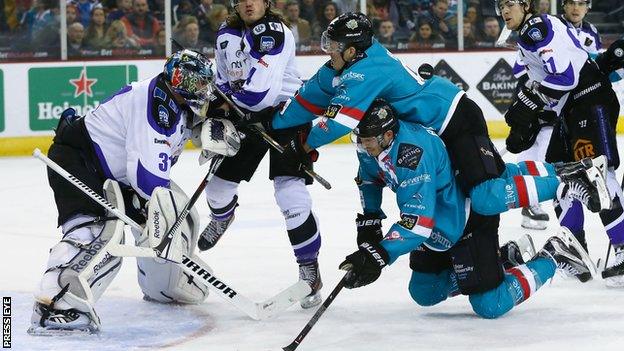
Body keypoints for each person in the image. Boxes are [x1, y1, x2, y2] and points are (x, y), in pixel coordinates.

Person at [264, 12, 611, 226]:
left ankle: (571, 179)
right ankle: (570, 171)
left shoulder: (366, 71)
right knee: (493, 176)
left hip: (456, 120)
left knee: (487, 194)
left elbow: (339, 123)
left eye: (335, 45)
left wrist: (302, 144)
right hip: (440, 126)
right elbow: (307, 99)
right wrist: (268, 123)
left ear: (352, 50)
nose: (329, 51)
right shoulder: (343, 66)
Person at [340, 99, 594, 318]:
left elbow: (418, 222)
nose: (362, 145)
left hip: (467, 218)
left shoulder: (412, 154)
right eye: (359, 138)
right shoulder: (371, 146)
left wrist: (380, 254)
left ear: (387, 135)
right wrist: (370, 220)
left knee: (490, 304)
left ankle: (555, 254)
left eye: (367, 140)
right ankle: (505, 259)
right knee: (424, 292)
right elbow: (370, 178)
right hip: (438, 225)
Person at [28, 50, 216, 335]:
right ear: (183, 82)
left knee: (179, 218)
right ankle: (55, 307)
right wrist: (155, 219)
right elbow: (148, 179)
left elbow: (181, 136)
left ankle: (163, 287)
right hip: (80, 161)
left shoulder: (175, 101)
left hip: (113, 175)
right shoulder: (156, 106)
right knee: (97, 237)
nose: (205, 90)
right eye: (199, 83)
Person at [197, 0, 324, 309]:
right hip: (246, 116)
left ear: (266, 3)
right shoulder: (226, 33)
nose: (248, 3)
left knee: (290, 194)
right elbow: (225, 78)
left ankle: (310, 271)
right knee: (216, 186)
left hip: (286, 114)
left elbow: (261, 92)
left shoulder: (274, 32)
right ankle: (222, 216)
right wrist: (221, 99)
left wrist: (230, 103)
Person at [497, 0, 624, 286]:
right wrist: (529, 117)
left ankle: (623, 248)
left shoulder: (536, 29)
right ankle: (575, 254)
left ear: (526, 6)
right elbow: (551, 84)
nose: (505, 11)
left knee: (597, 174)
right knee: (561, 177)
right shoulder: (530, 33)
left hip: (589, 102)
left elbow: (566, 78)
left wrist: (531, 102)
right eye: (501, 5)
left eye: (511, 5)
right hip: (572, 110)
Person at [512, 0, 599, 230]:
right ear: (563, 6)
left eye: (581, 3)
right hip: (545, 96)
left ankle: (545, 194)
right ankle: (532, 201)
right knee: (536, 145)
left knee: (557, 154)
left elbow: (590, 64)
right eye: (571, 2)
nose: (575, 8)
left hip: (568, 100)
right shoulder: (546, 26)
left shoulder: (591, 33)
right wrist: (535, 98)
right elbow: (521, 68)